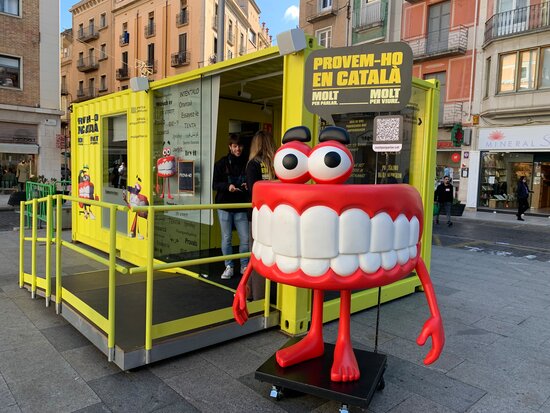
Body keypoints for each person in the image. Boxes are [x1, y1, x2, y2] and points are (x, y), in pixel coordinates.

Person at [212, 134, 249, 279]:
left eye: (240, 146)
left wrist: (247, 185)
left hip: (241, 206)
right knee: (226, 238)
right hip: (225, 206)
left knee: (245, 238)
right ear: (230, 147)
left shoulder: (248, 163)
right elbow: (215, 184)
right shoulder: (221, 163)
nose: (238, 149)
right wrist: (228, 187)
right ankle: (229, 266)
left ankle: (244, 265)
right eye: (235, 146)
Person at [245, 130, 276, 300]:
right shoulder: (276, 164)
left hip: (257, 214)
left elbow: (253, 190)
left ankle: (257, 297)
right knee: (268, 254)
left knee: (256, 254)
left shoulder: (253, 164)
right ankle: (251, 292)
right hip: (274, 214)